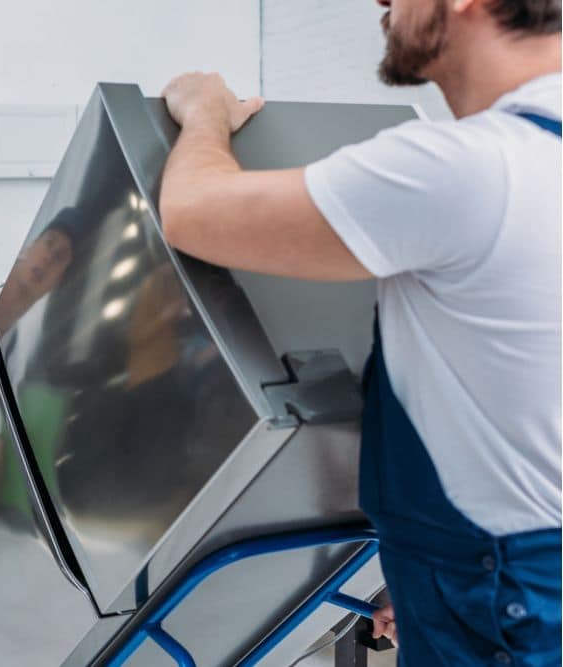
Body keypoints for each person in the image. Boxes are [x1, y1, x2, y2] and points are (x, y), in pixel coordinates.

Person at [159, 1, 560, 665]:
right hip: (508, 575)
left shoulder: (467, 167)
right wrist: (430, 577)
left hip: (500, 591)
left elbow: (190, 212)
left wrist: (205, 111)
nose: (381, 3)